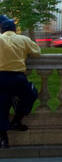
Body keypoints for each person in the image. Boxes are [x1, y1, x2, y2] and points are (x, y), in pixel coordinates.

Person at [0, 15, 40, 149]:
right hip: (18, 79)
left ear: (2, 30)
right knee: (31, 93)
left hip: (1, 78)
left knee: (2, 105)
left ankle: (3, 139)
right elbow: (37, 53)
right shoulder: (23, 39)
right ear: (15, 29)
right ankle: (17, 119)